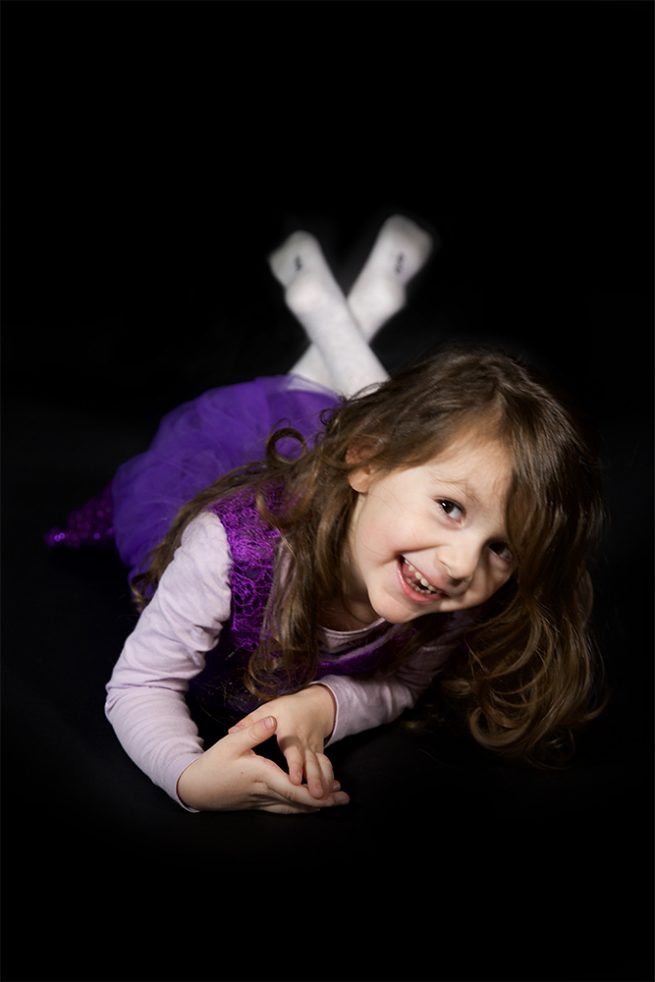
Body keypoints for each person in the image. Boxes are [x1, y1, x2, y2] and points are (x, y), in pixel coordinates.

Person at [47, 214, 607, 814]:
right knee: (384, 431)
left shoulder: (445, 588)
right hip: (229, 474)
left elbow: (402, 683)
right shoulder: (227, 551)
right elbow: (141, 684)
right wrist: (186, 776)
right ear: (363, 465)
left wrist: (325, 705)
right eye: (449, 508)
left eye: (503, 547)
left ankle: (337, 314)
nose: (464, 564)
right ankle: (332, 319)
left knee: (431, 441)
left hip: (364, 467)